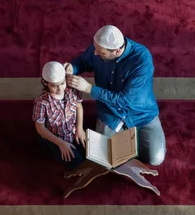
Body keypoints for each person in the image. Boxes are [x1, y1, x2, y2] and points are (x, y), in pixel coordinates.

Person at [64, 25, 166, 166]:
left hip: (141, 114)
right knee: (104, 158)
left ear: (117, 51)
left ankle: (133, 139)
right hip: (110, 112)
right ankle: (129, 142)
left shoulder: (142, 59)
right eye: (95, 49)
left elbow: (125, 100)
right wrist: (72, 67)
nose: (95, 54)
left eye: (100, 52)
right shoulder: (99, 48)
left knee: (156, 158)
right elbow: (83, 61)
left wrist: (88, 88)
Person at [33, 61, 86, 169]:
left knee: (91, 155)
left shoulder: (72, 91)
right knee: (76, 163)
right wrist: (61, 144)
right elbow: (41, 129)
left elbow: (79, 107)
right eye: (54, 86)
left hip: (73, 132)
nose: (59, 89)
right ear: (45, 83)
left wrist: (79, 129)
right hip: (56, 138)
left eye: (62, 83)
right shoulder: (41, 102)